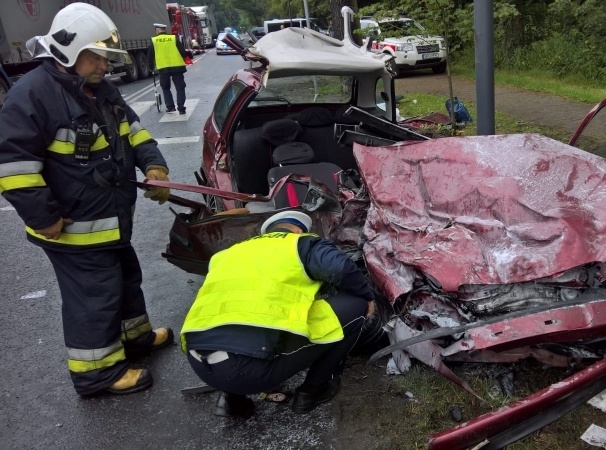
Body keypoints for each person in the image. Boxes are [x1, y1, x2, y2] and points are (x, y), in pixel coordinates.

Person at [0, 3, 174, 396]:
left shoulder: (101, 90)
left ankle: (135, 340)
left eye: (105, 56)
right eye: (95, 56)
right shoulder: (31, 96)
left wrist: (155, 167)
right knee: (94, 298)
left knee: (126, 280)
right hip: (73, 228)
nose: (103, 64)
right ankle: (97, 374)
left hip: (109, 220)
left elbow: (135, 132)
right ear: (67, 51)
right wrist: (44, 218)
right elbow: (14, 169)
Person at [180, 211, 375, 417]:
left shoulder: (228, 254)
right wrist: (367, 295)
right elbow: (341, 269)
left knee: (235, 324)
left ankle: (231, 400)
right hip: (246, 371)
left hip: (199, 362)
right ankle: (313, 390)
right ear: (299, 231)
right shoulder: (300, 244)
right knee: (356, 305)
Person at [147, 23, 188, 115]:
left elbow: (150, 56)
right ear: (165, 30)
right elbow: (183, 51)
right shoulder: (173, 38)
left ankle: (170, 107)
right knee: (180, 88)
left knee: (165, 88)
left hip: (163, 68)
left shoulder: (154, 40)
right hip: (177, 67)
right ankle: (181, 108)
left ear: (157, 31)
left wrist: (151, 68)